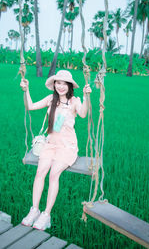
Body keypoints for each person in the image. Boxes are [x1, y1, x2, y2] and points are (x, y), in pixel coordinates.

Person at [20, 70, 92, 230]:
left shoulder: (74, 101)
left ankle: (46, 214)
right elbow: (30, 106)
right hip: (50, 144)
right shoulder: (50, 99)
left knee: (53, 174)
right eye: (57, 83)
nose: (60, 86)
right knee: (40, 173)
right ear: (54, 84)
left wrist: (87, 97)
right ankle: (34, 210)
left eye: (64, 83)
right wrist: (26, 91)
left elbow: (83, 114)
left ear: (69, 86)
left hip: (67, 148)